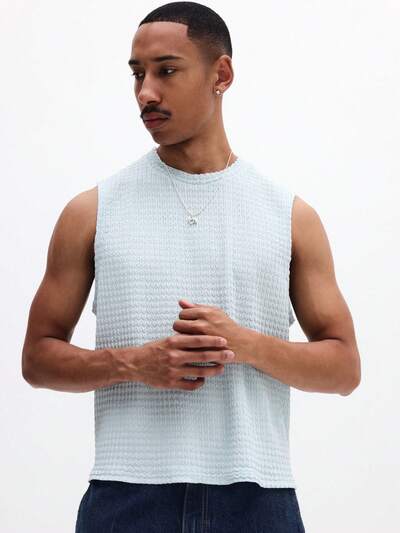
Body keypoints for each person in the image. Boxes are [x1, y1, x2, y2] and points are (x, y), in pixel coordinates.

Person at [21, 2, 361, 532]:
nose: (146, 92)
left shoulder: (289, 216)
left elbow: (344, 368)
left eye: (166, 70)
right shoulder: (92, 211)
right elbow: (37, 359)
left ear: (220, 74)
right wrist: (135, 363)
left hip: (256, 499)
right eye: (137, 74)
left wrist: (243, 343)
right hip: (126, 496)